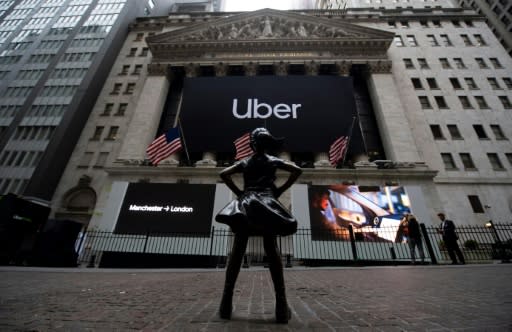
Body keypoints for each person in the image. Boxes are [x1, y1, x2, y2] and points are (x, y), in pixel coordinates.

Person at [215, 127, 302, 324]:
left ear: (252, 145)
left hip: (246, 203)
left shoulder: (245, 162)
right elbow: (297, 170)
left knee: (238, 250)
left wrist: (240, 192)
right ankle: (281, 305)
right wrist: (279, 190)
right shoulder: (273, 161)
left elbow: (223, 173)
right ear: (267, 144)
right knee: (272, 249)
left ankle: (225, 303)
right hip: (267, 203)